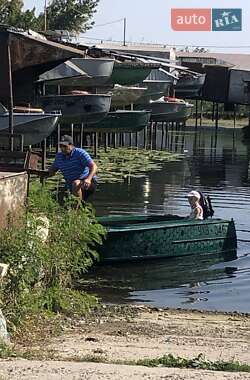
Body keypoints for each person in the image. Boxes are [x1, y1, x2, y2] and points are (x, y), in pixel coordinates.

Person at [47, 135, 97, 202]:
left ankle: (76, 209)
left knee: (76, 184)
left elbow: (94, 166)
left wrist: (88, 179)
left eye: (65, 146)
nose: (62, 149)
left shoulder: (80, 153)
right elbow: (52, 170)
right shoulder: (59, 157)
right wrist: (44, 174)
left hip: (86, 182)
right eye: (61, 146)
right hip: (70, 185)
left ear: (71, 145)